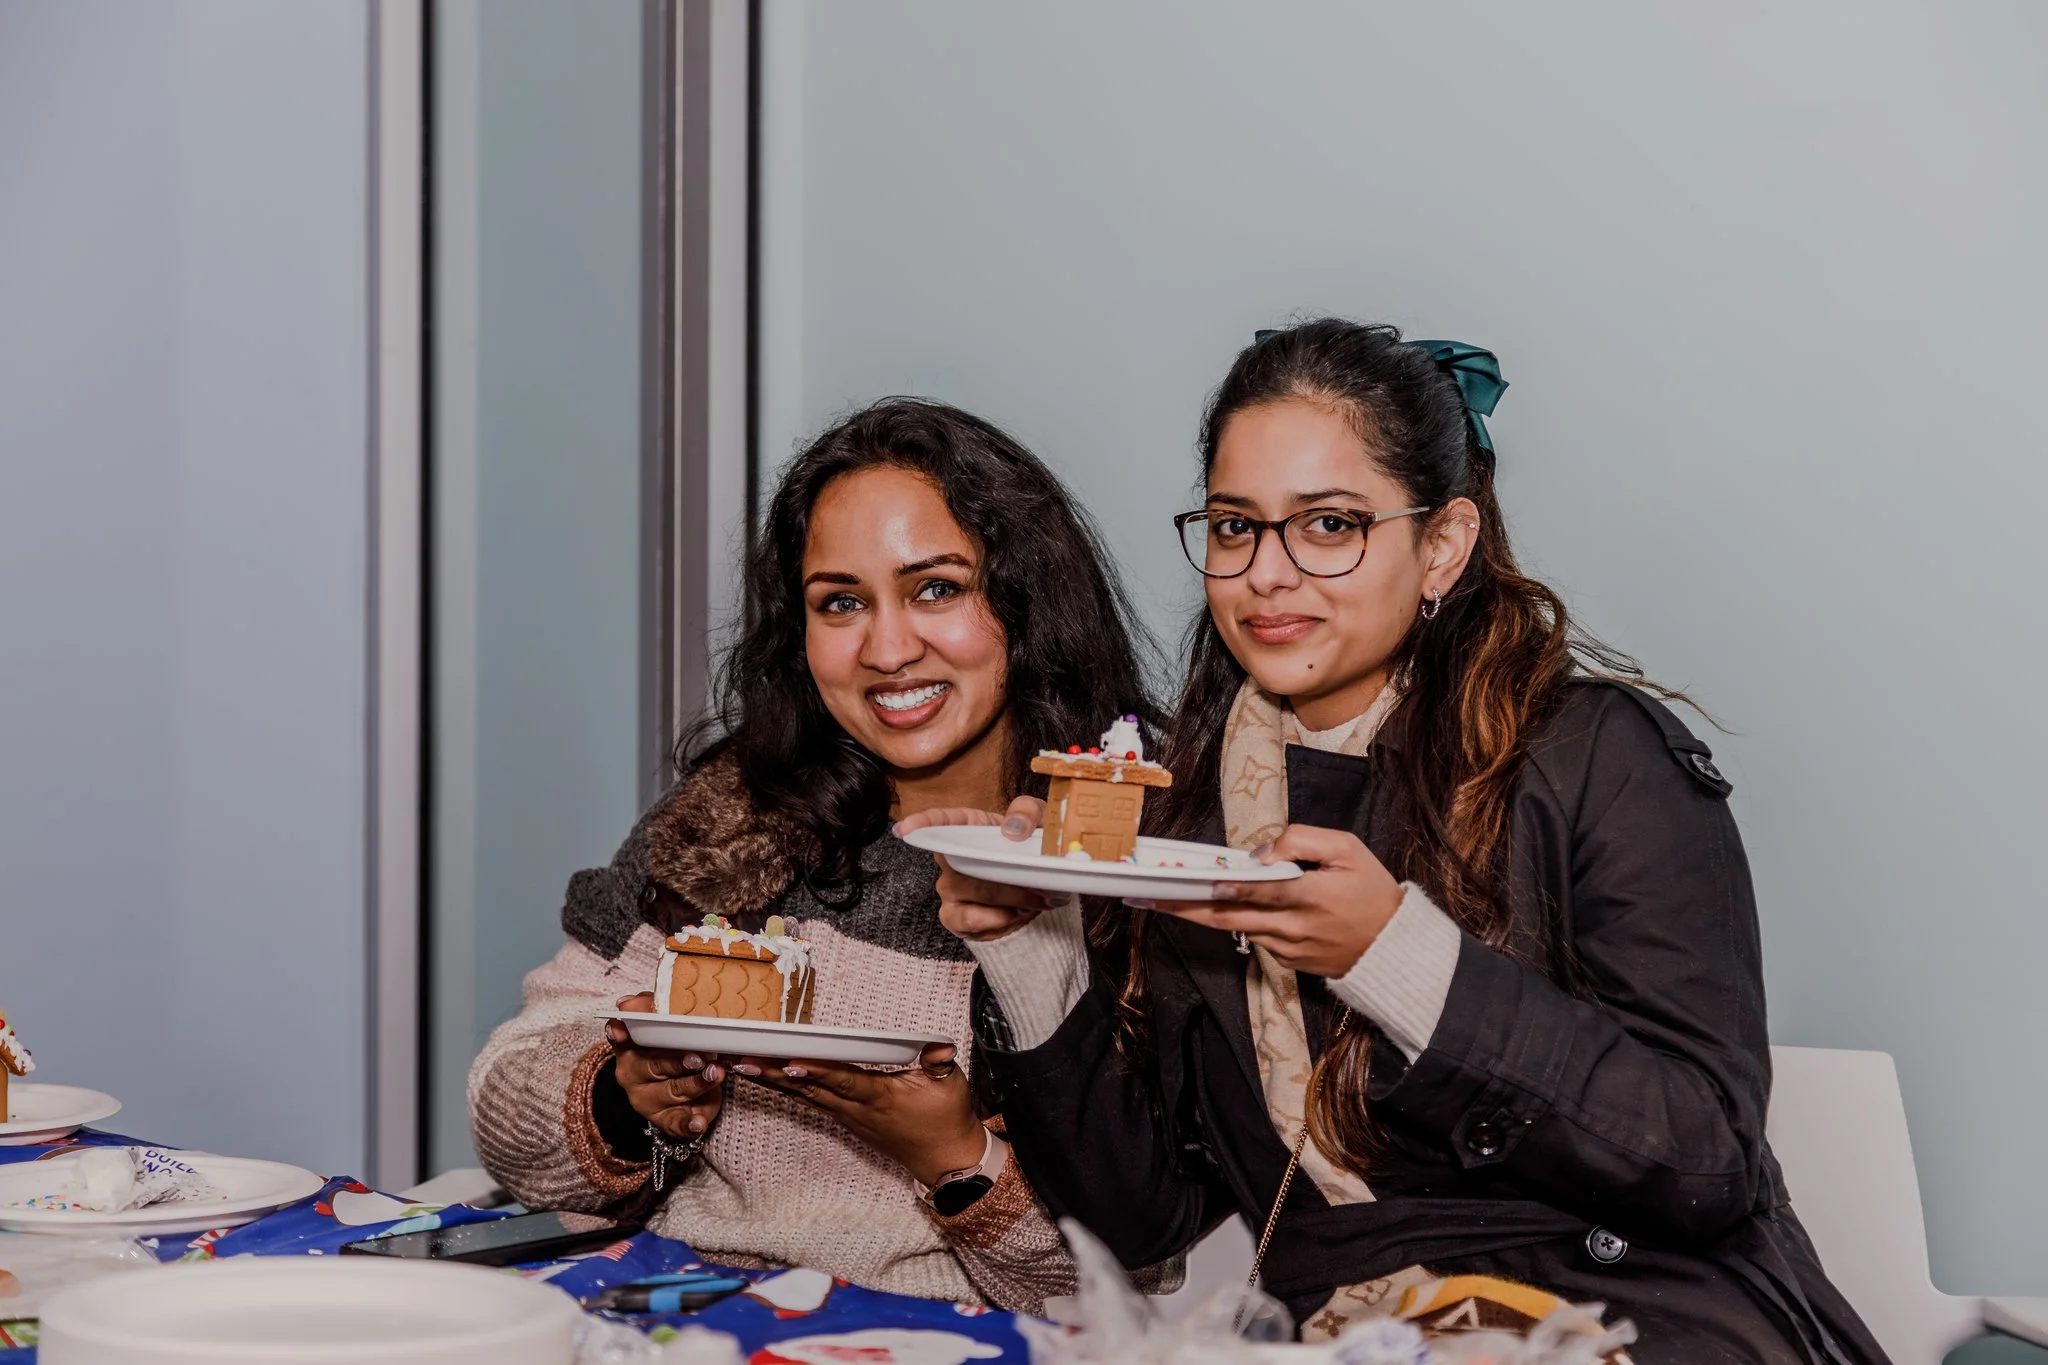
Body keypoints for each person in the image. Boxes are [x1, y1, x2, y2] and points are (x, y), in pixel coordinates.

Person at [908, 321, 1889, 1362]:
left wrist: (1397, 957)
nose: (1265, 574)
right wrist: (1030, 945)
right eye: (1235, 527)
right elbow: (1142, 1221)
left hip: (1633, 1320)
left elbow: (1705, 1160)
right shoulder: (1184, 821)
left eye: (1328, 525)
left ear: (1444, 545)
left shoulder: (1599, 755)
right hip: (1346, 1335)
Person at [467, 397, 1164, 1314]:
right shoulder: (736, 816)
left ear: (1026, 600)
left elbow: (1118, 1288)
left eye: (936, 588)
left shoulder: (1120, 862)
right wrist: (624, 1096)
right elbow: (508, 1106)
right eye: (842, 601)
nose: (888, 648)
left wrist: (954, 1158)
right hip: (684, 1310)